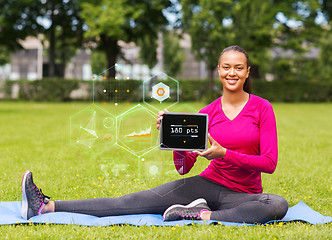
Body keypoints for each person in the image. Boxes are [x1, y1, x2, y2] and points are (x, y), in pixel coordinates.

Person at [21, 45, 288, 223]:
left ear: (247, 72)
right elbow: (184, 169)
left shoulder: (262, 108)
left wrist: (224, 154)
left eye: (238, 67)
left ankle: (201, 215)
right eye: (226, 67)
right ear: (218, 70)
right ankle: (45, 205)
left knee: (277, 204)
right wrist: (173, 139)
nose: (232, 73)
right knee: (130, 201)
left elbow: (269, 163)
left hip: (243, 194)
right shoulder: (206, 114)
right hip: (206, 184)